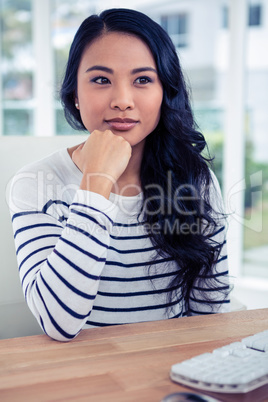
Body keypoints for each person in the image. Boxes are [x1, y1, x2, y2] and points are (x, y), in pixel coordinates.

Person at [9, 8, 230, 342]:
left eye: (142, 80)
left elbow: (210, 318)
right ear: (74, 95)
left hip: (174, 377)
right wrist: (97, 184)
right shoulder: (34, 184)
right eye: (101, 80)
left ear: (164, 94)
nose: (123, 101)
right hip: (87, 381)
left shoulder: (196, 181)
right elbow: (57, 322)